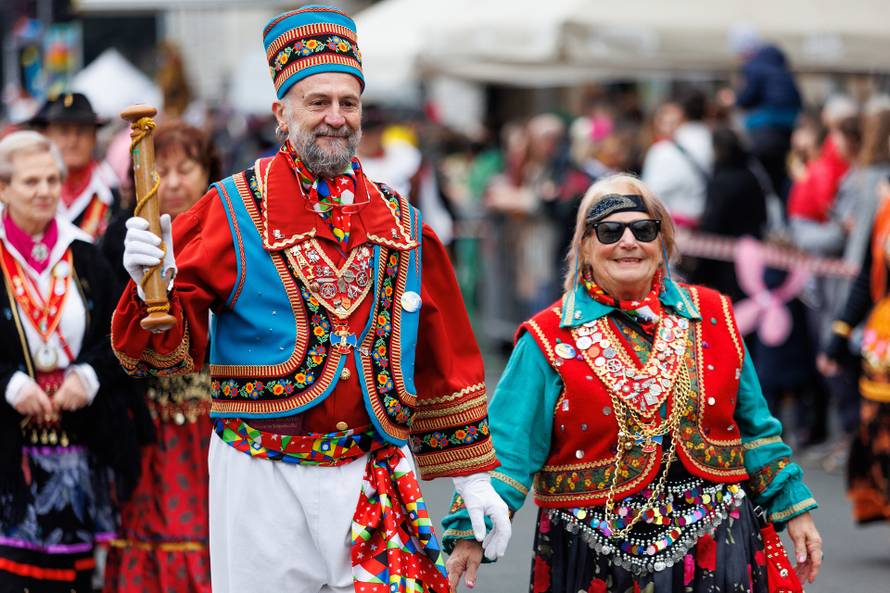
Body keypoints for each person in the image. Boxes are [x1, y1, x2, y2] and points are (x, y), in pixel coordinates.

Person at [110, 6, 510, 593]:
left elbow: (442, 357)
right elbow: (161, 354)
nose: (335, 117)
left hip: (373, 472)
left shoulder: (401, 221)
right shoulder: (230, 210)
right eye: (317, 101)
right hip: (261, 477)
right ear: (281, 112)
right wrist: (149, 286)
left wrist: (473, 481)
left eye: (348, 103)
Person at [443, 174, 822, 593]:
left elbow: (755, 428)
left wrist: (794, 507)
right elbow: (508, 447)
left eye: (643, 229)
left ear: (662, 242)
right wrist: (471, 532)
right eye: (609, 230)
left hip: (719, 545)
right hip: (591, 558)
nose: (628, 241)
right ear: (585, 245)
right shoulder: (547, 337)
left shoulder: (713, 314)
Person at [0, 131, 141, 592]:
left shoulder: (85, 254)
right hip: (9, 447)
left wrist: (89, 376)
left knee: (72, 579)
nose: (44, 191)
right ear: (3, 188)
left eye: (52, 179)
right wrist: (12, 385)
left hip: (77, 441)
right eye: (30, 181)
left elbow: (118, 336)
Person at [101, 121, 221, 593]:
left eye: (184, 169)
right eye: (161, 170)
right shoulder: (120, 241)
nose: (171, 182)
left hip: (212, 422)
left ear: (206, 172)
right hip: (148, 420)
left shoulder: (225, 235)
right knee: (146, 529)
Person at [820, 182, 890, 525]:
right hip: (884, 346)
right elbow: (867, 278)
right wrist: (840, 332)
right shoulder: (885, 211)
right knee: (880, 436)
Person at [724, 25, 802, 198]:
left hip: (765, 128)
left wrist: (734, 99)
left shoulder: (754, 66)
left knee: (759, 176)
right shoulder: (779, 65)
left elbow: (748, 96)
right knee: (779, 176)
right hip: (786, 129)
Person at [29, 93, 120, 240]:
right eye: (64, 131)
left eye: (82, 131)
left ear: (94, 138)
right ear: (48, 137)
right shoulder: (29, 192)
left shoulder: (114, 193)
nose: (73, 140)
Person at [641, 89, 712, 229]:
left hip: (676, 234)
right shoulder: (722, 144)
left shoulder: (664, 151)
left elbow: (649, 199)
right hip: (715, 233)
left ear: (679, 112)